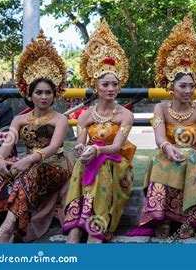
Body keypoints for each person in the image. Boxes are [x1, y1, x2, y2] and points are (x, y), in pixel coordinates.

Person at [135, 14, 196, 239]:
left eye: (192, 86)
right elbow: (160, 139)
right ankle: (163, 218)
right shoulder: (161, 109)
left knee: (190, 157)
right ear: (171, 86)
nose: (189, 90)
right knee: (160, 158)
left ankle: (189, 219)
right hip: (169, 155)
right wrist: (168, 148)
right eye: (183, 86)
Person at [0, 31, 71, 242]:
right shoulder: (19, 119)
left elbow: (53, 148)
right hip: (24, 163)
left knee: (28, 176)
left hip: (54, 165)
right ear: (30, 95)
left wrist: (28, 159)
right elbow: (7, 143)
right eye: (39, 92)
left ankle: (6, 231)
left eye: (48, 92)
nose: (44, 97)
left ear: (55, 95)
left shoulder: (59, 119)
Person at [63, 21, 136, 243]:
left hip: (117, 163)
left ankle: (96, 227)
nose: (111, 89)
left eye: (115, 84)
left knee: (102, 162)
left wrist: (94, 150)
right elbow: (80, 143)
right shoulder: (85, 116)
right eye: (105, 85)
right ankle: (77, 226)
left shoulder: (125, 115)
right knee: (81, 163)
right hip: (93, 159)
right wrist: (80, 149)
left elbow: (115, 148)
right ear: (96, 87)